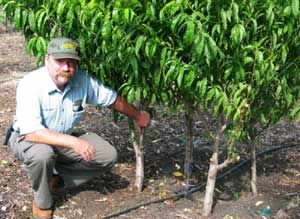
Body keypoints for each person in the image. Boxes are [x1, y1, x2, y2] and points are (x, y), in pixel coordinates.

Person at [8, 37, 151, 219]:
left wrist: (138, 116)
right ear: (47, 60)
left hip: (63, 136)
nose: (66, 68)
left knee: (107, 155)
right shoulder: (31, 84)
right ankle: (42, 202)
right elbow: (32, 133)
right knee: (42, 155)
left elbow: (112, 99)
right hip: (30, 138)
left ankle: (56, 178)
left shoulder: (82, 80)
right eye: (60, 61)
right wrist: (74, 142)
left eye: (71, 62)